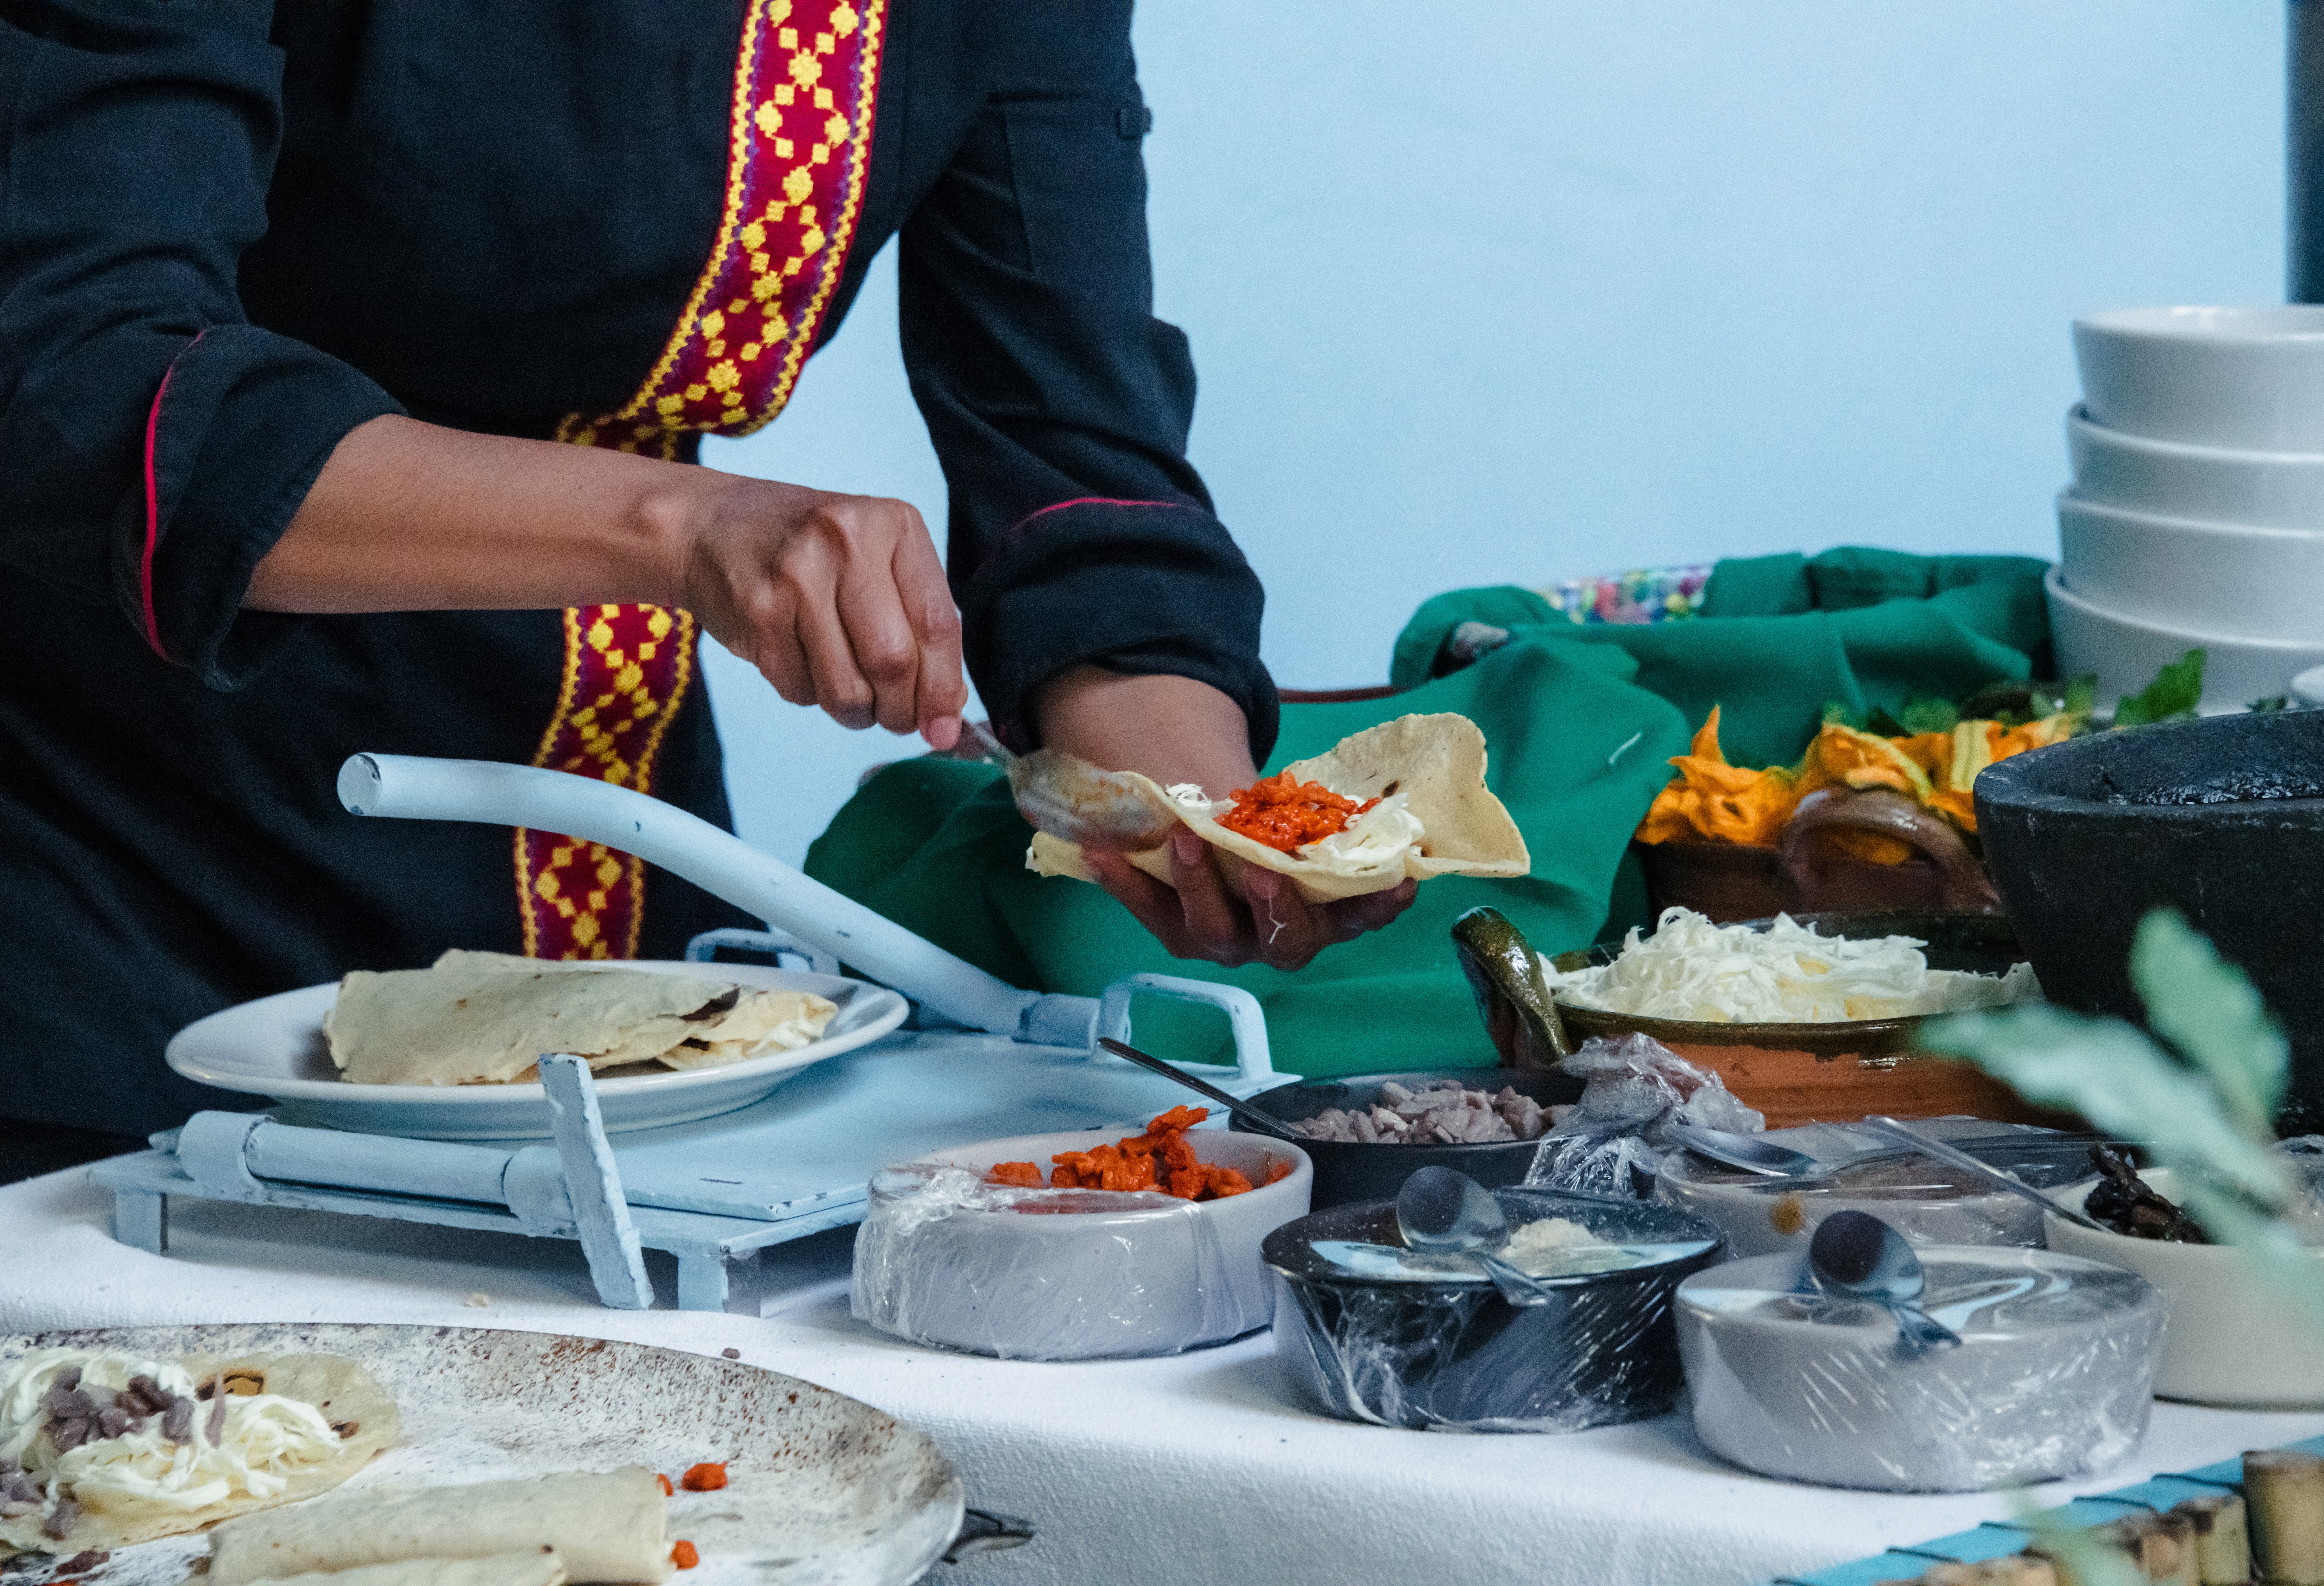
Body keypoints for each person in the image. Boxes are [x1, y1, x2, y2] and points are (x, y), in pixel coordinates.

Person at [0, 0, 1410, 1173]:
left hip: (624, 933)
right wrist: (683, 524)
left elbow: (1073, 461)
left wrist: (1205, 818)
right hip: (120, 886)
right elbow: (82, 381)